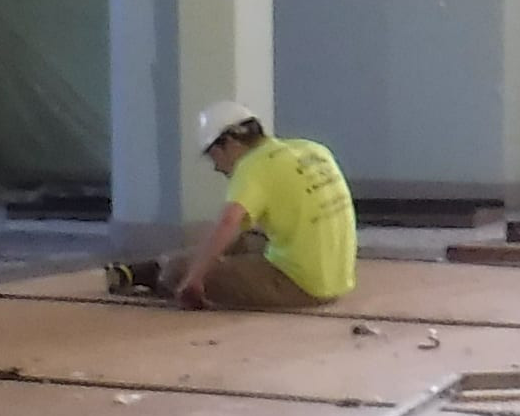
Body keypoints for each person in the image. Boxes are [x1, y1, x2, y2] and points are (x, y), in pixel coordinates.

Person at [113, 101, 356, 309]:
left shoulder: (252, 167)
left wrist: (194, 279)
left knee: (180, 273)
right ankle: (154, 266)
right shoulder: (312, 149)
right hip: (337, 278)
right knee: (246, 240)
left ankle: (160, 271)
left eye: (213, 156)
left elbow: (228, 222)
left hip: (300, 284)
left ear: (228, 142)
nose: (216, 167)